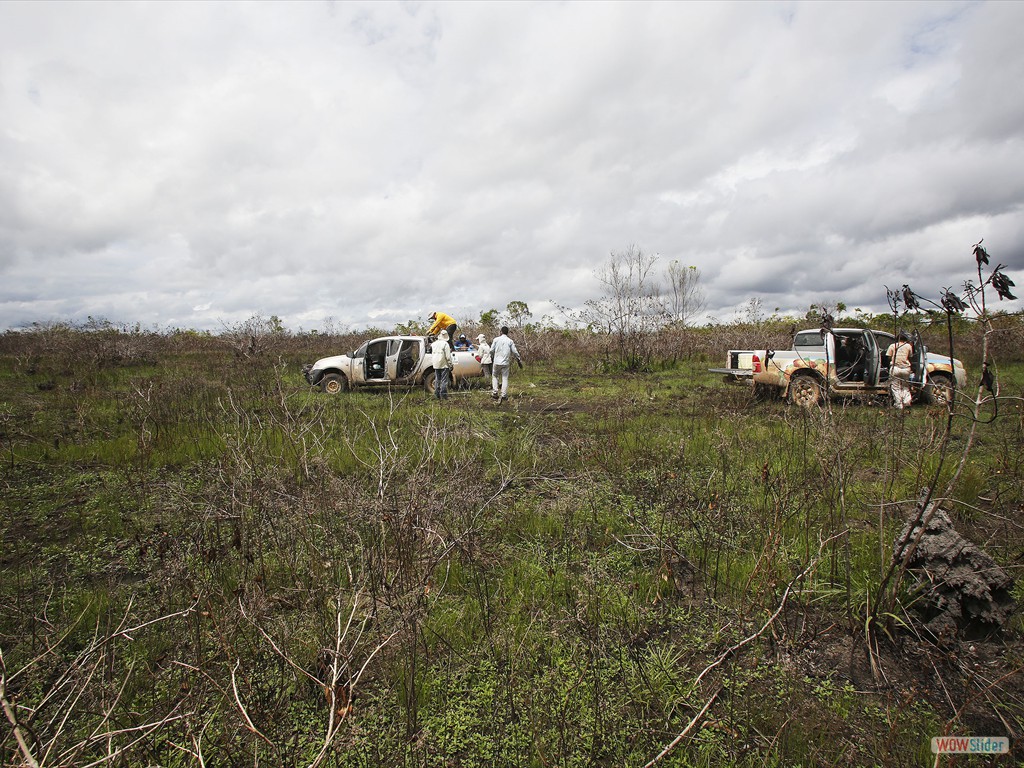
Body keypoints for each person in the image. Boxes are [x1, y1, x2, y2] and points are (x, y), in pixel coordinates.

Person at [490, 326, 522, 402]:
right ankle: (503, 395)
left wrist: (492, 357)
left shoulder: (496, 339)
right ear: (507, 332)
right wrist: (519, 359)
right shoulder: (510, 341)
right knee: (505, 378)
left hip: (497, 361)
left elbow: (491, 350)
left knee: (495, 376)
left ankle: (495, 392)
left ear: (501, 331)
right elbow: (514, 351)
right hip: (505, 362)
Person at [886, 331, 914, 409]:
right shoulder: (908, 346)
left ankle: (899, 404)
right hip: (906, 369)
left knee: (895, 387)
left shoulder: (892, 346)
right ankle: (907, 401)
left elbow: (888, 357)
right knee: (905, 386)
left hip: (895, 368)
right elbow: (910, 356)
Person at [430, 330, 454, 400]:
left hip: (436, 364)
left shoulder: (434, 344)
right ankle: (444, 396)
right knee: (444, 380)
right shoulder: (445, 344)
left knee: (437, 379)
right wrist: (450, 365)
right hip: (444, 365)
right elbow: (448, 357)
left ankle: (437, 395)